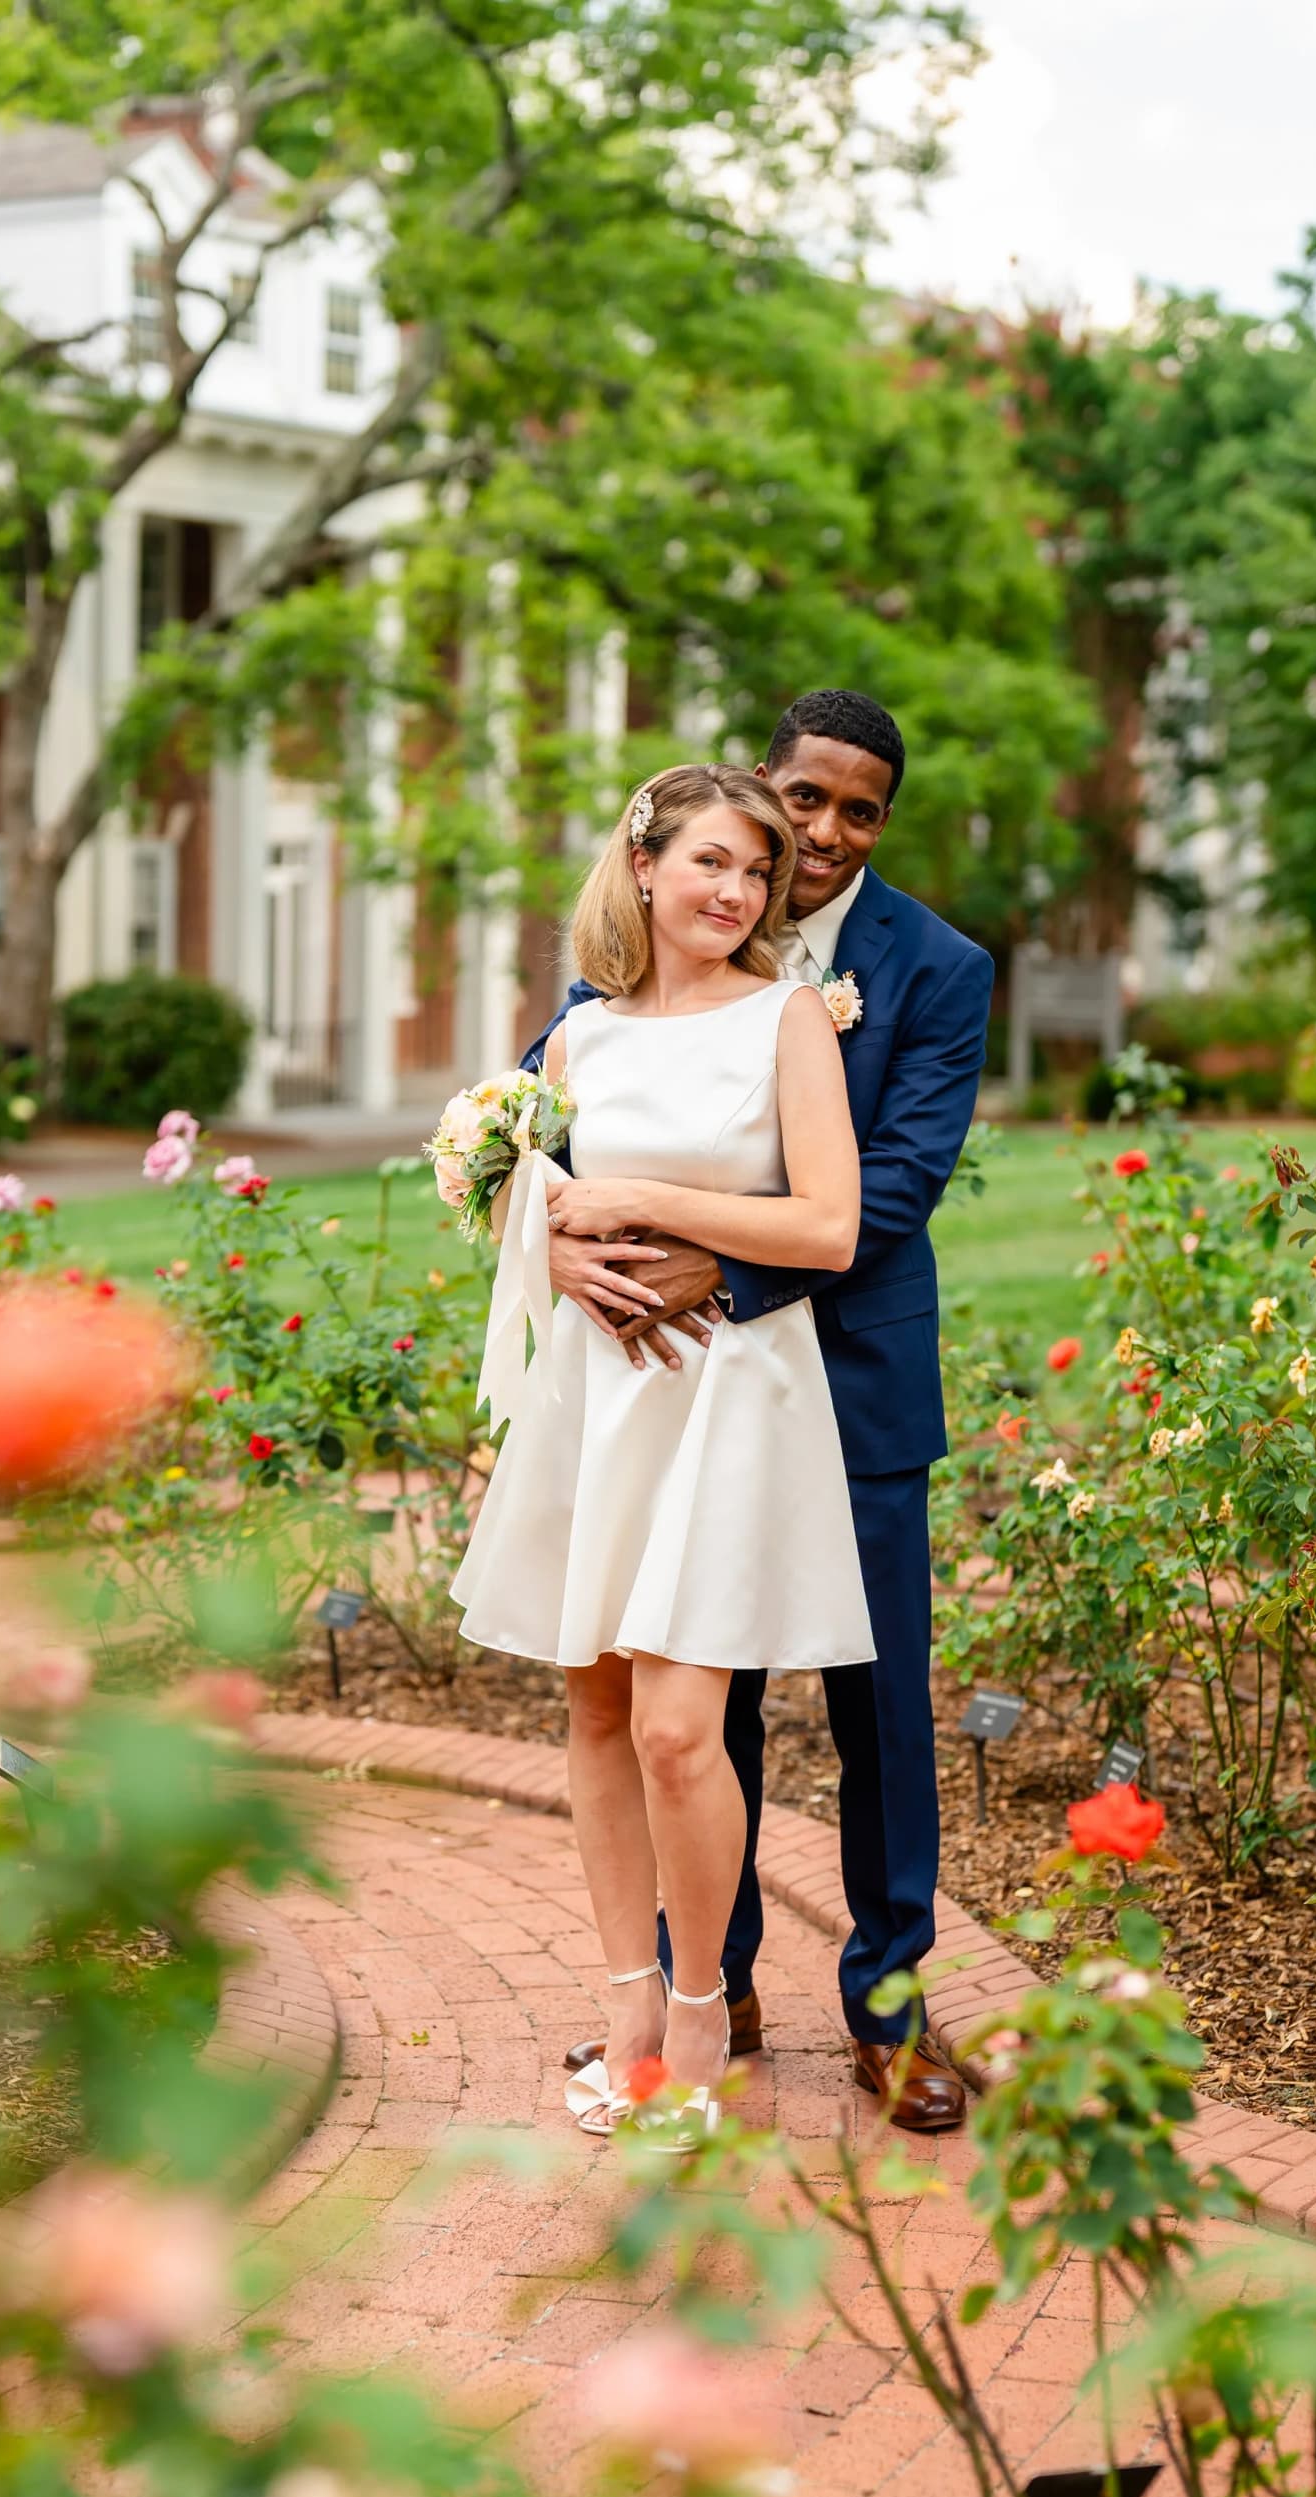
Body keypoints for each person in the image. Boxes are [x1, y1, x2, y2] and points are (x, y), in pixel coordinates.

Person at [534, 690, 993, 2133]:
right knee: (688, 1703)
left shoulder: (937, 967)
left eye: (862, 810)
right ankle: (705, 1986)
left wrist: (706, 1261)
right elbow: (550, 1131)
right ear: (762, 785)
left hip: (845, 1380)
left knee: (878, 1717)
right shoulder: (657, 943)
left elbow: (894, 1187)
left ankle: (891, 2008)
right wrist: (550, 1239)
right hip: (665, 1391)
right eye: (807, 796)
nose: (824, 832)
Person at [450, 764, 875, 2142]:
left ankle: (705, 2012)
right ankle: (626, 2002)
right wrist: (564, 1239)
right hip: (597, 1401)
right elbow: (524, 1202)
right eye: (710, 863)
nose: (736, 892)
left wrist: (640, 1197)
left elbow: (826, 1230)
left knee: (684, 1731)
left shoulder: (788, 1021)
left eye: (756, 873)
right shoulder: (581, 1041)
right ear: (643, 868)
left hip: (725, 1399)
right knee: (593, 1711)